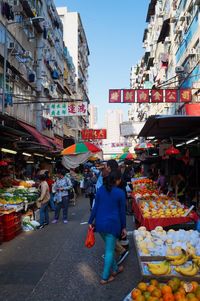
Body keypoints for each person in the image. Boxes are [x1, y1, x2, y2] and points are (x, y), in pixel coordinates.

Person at [88, 170, 127, 284]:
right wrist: (124, 227)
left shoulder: (100, 190)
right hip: (113, 225)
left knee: (109, 246)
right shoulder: (120, 193)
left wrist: (90, 221)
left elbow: (95, 207)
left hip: (100, 224)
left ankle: (115, 269)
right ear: (117, 180)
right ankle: (105, 277)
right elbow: (122, 212)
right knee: (109, 251)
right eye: (120, 179)